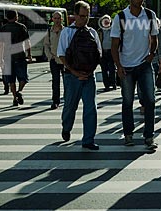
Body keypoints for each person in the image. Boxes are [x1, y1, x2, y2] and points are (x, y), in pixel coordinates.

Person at [111, 0, 159, 149]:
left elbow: (154, 37)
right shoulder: (121, 17)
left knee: (150, 100)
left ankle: (149, 136)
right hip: (126, 66)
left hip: (144, 65)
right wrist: (118, 66)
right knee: (127, 101)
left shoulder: (150, 15)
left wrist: (152, 54)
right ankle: (128, 134)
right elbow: (114, 44)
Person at [57, 1, 101, 150]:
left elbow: (98, 55)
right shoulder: (67, 32)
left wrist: (88, 73)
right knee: (70, 106)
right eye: (82, 16)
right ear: (75, 15)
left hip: (89, 76)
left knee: (91, 108)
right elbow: (61, 55)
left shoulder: (93, 33)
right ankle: (66, 127)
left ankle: (88, 140)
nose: (84, 19)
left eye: (87, 16)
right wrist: (76, 73)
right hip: (71, 76)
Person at [0, 10, 32, 106]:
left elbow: (0, 45)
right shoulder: (21, 27)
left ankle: (14, 98)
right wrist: (29, 54)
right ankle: (19, 91)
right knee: (23, 78)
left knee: (11, 80)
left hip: (7, 56)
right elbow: (27, 43)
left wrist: (0, 57)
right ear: (16, 17)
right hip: (19, 55)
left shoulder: (3, 28)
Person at [44, 11, 65, 109]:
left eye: (58, 18)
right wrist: (50, 56)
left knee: (67, 80)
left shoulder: (66, 30)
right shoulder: (49, 31)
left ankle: (67, 99)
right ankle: (55, 101)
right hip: (54, 59)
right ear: (52, 19)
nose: (57, 20)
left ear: (62, 19)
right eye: (55, 18)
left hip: (64, 59)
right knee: (55, 81)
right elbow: (46, 45)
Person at [97, 14, 116, 92]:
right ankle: (106, 85)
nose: (106, 22)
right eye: (104, 20)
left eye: (107, 20)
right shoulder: (99, 31)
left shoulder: (113, 30)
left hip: (111, 52)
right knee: (104, 69)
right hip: (103, 52)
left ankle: (113, 83)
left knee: (112, 68)